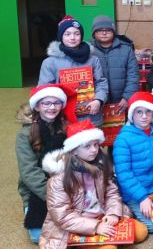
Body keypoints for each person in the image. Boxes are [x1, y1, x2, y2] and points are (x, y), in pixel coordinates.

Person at [38, 119, 148, 248]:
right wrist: (96, 226)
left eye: (96, 144)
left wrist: (113, 213)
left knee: (141, 232)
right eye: (87, 146)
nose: (94, 150)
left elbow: (112, 192)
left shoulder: (100, 166)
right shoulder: (58, 180)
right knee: (110, 248)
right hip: (78, 225)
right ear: (74, 150)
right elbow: (63, 217)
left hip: (102, 215)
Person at [15, 84, 77, 244]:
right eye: (46, 103)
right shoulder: (24, 135)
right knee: (38, 236)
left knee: (73, 227)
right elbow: (29, 172)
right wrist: (55, 197)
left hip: (65, 183)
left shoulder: (66, 126)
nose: (52, 107)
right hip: (38, 190)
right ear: (37, 105)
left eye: (56, 103)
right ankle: (29, 208)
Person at [112, 92, 153, 233]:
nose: (144, 116)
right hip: (134, 190)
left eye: (148, 111)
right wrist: (142, 198)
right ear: (132, 114)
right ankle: (128, 207)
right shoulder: (123, 139)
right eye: (139, 112)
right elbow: (124, 174)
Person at [39, 15, 109, 126]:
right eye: (67, 34)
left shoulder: (93, 60)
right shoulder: (50, 62)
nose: (72, 37)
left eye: (77, 34)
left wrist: (99, 100)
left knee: (91, 143)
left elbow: (101, 82)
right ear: (61, 36)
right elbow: (44, 90)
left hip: (91, 116)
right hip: (62, 117)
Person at [89, 15, 139, 112]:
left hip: (121, 102)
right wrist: (95, 100)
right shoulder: (88, 50)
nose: (104, 33)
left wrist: (127, 97)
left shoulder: (126, 49)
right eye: (99, 30)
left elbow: (133, 75)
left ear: (113, 32)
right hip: (96, 102)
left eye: (108, 30)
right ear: (94, 33)